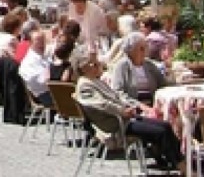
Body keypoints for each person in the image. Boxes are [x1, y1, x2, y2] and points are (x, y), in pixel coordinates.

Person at [73, 45, 186, 173]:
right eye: (93, 64)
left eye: (97, 62)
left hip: (127, 118)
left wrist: (133, 105)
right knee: (160, 132)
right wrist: (122, 110)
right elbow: (102, 104)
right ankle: (180, 165)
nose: (98, 65)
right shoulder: (85, 85)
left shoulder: (95, 80)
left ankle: (179, 161)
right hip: (117, 126)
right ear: (83, 68)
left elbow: (117, 96)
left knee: (165, 125)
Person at [112, 32, 167, 103]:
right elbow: (118, 92)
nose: (145, 51)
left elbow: (163, 85)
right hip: (133, 107)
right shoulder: (122, 66)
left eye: (146, 47)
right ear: (131, 50)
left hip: (153, 104)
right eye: (141, 48)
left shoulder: (149, 65)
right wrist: (139, 106)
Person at [19, 30, 52, 107]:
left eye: (43, 40)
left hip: (49, 91)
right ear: (30, 43)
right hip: (43, 95)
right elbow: (42, 81)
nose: (42, 43)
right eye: (38, 40)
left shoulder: (42, 56)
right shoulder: (30, 61)